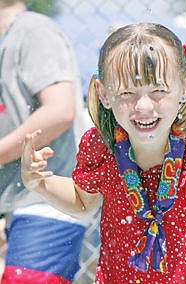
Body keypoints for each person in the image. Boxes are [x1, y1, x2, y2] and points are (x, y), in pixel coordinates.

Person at [21, 23, 186, 284]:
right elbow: (82, 202)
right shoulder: (102, 146)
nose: (143, 106)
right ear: (104, 94)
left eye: (158, 90)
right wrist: (40, 183)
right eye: (127, 93)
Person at [0, 0, 88, 283]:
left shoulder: (33, 31)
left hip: (48, 194)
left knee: (24, 280)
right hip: (11, 198)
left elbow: (58, 111)